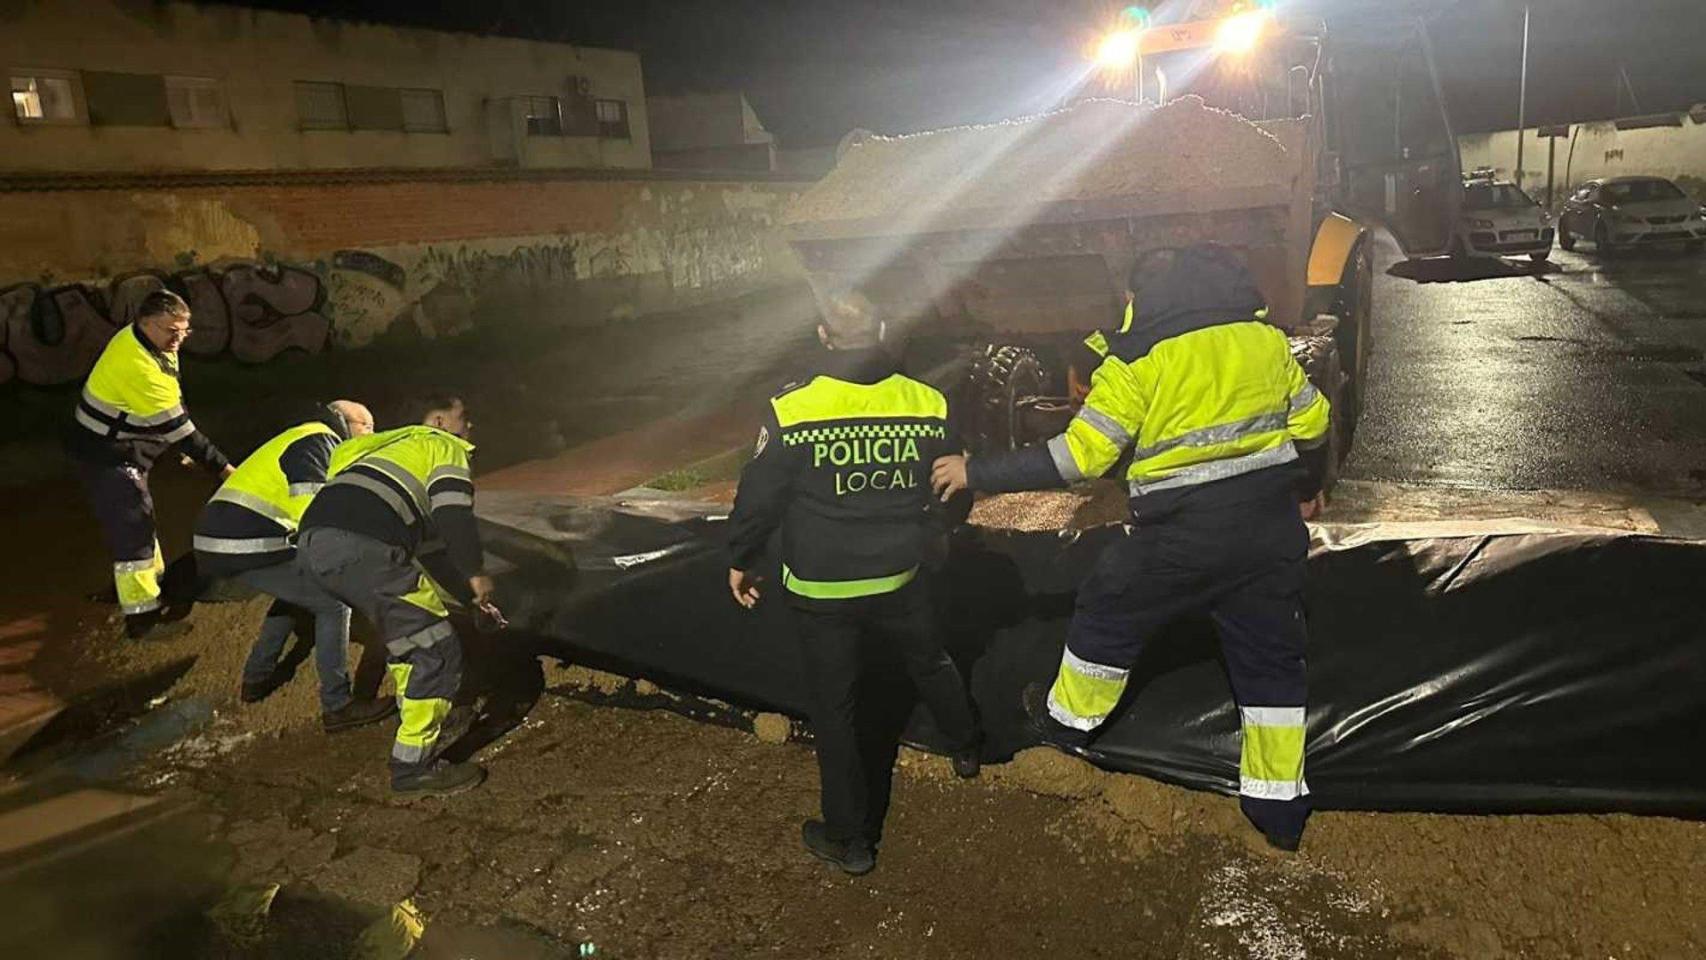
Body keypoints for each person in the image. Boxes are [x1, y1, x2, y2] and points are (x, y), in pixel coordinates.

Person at [931, 244, 1331, 851]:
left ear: (1140, 299)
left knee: (1109, 602)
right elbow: (1314, 425)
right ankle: (1278, 809)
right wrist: (1305, 489)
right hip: (1266, 534)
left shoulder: (1139, 359)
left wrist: (976, 471)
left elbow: (1078, 457)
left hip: (1179, 539)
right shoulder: (1266, 342)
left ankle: (1069, 724)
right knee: (1273, 661)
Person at [727, 289, 982, 876]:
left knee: (835, 708)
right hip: (901, 574)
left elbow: (758, 499)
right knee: (930, 660)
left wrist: (742, 556)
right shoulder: (926, 401)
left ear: (823, 336)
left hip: (821, 587)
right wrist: (941, 530)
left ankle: (850, 839)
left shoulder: (793, 408)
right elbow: (953, 484)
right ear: (883, 329)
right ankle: (967, 746)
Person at [297, 395, 498, 797]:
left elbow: (433, 553)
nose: (470, 427)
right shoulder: (442, 446)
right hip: (365, 547)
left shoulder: (383, 451)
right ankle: (413, 767)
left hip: (314, 546)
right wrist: (477, 575)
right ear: (438, 421)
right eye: (465, 418)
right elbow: (454, 518)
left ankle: (428, 720)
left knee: (410, 643)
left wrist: (468, 597)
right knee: (434, 649)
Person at [193, 399, 397, 732]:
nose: (372, 436)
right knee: (333, 603)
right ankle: (338, 705)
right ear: (344, 422)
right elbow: (315, 512)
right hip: (243, 541)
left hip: (226, 539)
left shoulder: (305, 436)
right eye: (368, 427)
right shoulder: (320, 439)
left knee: (296, 593)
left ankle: (256, 679)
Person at [66, 289, 234, 641]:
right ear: (144, 323)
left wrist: (176, 445)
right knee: (135, 527)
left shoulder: (146, 342)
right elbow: (184, 431)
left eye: (184, 331)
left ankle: (141, 586)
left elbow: (171, 405)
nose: (179, 339)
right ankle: (142, 620)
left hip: (111, 445)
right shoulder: (139, 366)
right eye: (171, 330)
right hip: (108, 454)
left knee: (131, 523)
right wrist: (226, 472)